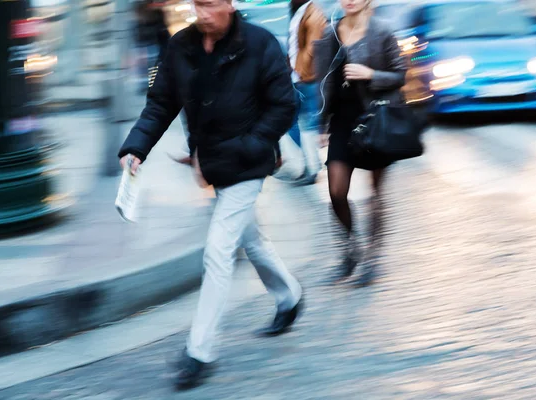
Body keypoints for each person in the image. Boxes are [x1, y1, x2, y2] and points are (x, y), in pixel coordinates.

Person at [118, 0, 304, 389]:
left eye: (211, 4)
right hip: (214, 166)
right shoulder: (180, 46)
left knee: (218, 250)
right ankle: (289, 297)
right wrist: (136, 147)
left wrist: (252, 145)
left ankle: (199, 352)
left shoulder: (260, 44)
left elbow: (284, 105)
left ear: (231, 4)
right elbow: (161, 103)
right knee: (251, 239)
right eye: (197, 4)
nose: (203, 13)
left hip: (251, 162)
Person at [314, 0, 407, 286]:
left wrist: (371, 75)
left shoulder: (383, 31)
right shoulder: (330, 33)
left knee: (376, 193)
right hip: (342, 122)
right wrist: (322, 124)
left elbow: (400, 74)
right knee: (336, 191)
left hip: (375, 117)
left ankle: (373, 257)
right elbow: (325, 83)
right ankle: (350, 250)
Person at [286, 0, 326, 184]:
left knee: (308, 126)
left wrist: (300, 69)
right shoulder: (300, 11)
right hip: (298, 77)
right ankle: (310, 164)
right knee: (291, 122)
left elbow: (313, 47)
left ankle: (312, 169)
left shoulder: (313, 14)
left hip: (307, 78)